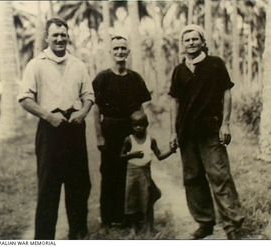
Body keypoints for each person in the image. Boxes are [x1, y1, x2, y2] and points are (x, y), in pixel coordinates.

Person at [18, 18, 94, 240]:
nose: (60, 39)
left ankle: (78, 235)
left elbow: (88, 95)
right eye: (55, 35)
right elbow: (24, 98)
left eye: (63, 35)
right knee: (48, 187)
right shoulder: (36, 64)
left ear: (68, 37)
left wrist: (82, 112)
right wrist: (48, 116)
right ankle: (43, 239)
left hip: (74, 128)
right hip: (50, 130)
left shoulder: (78, 64)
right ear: (47, 37)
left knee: (79, 185)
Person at [169, 24, 245, 240]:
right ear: (182, 45)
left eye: (195, 39)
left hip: (211, 130)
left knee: (219, 175)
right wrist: (174, 132)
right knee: (192, 178)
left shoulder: (215, 64)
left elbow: (227, 93)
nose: (191, 43)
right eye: (187, 40)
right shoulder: (179, 70)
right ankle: (205, 223)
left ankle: (232, 225)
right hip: (186, 133)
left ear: (202, 42)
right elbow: (174, 102)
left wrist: (226, 124)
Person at [92, 35, 151, 229]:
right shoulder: (102, 78)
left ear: (128, 52)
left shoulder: (135, 78)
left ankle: (132, 215)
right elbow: (96, 109)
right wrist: (99, 135)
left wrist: (142, 135)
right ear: (110, 52)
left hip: (131, 130)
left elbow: (142, 109)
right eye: (115, 48)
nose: (119, 52)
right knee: (110, 172)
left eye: (123, 48)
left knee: (133, 172)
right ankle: (109, 217)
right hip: (110, 130)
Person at [120, 111, 177, 235]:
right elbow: (121, 156)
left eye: (141, 125)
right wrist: (132, 155)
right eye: (135, 125)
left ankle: (149, 227)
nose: (138, 128)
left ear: (147, 125)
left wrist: (171, 151)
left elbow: (160, 156)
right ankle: (133, 228)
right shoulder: (128, 140)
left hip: (145, 173)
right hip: (132, 174)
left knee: (148, 198)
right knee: (132, 200)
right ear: (131, 126)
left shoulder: (151, 140)